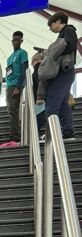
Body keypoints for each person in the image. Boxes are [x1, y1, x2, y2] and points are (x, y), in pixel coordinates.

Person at [37, 11, 77, 141]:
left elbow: (69, 46)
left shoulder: (68, 31)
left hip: (64, 72)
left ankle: (52, 134)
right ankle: (68, 130)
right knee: (63, 103)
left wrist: (52, 53)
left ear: (58, 21)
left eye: (51, 25)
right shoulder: (64, 33)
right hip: (65, 73)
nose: (50, 28)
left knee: (52, 104)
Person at [5, 31, 29, 143]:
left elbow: (25, 70)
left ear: (21, 41)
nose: (15, 42)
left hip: (16, 84)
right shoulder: (9, 57)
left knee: (14, 110)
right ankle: (14, 133)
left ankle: (15, 135)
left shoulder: (22, 53)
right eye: (14, 40)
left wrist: (18, 87)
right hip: (9, 85)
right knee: (10, 110)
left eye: (18, 40)